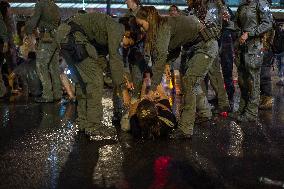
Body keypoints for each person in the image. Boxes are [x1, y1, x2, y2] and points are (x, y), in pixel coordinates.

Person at [135, 6, 220, 138]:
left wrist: (152, 90)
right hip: (195, 47)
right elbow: (173, 48)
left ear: (148, 19)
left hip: (206, 46)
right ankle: (205, 113)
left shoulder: (162, 27)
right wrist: (166, 64)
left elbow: (161, 56)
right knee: (192, 82)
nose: (141, 29)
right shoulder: (161, 26)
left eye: (141, 25)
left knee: (188, 82)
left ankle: (185, 129)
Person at [55, 11, 135, 138]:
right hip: (73, 38)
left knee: (83, 82)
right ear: (127, 34)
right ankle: (94, 126)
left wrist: (114, 76)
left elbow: (100, 60)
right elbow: (114, 58)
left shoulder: (104, 31)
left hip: (65, 36)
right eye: (128, 43)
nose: (125, 47)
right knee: (95, 80)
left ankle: (83, 122)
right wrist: (123, 89)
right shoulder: (117, 28)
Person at [233, 0, 273, 121]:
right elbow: (236, 24)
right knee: (242, 78)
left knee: (254, 78)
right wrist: (238, 32)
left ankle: (251, 112)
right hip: (242, 45)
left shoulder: (261, 3)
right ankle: (243, 107)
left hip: (255, 45)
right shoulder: (242, 5)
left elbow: (268, 23)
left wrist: (249, 33)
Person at [25, 0, 61, 103]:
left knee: (41, 65)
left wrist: (27, 30)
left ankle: (47, 95)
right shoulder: (56, 6)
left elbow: (34, 20)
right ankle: (57, 93)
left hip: (46, 38)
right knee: (54, 67)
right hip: (55, 38)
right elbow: (59, 23)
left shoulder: (40, 4)